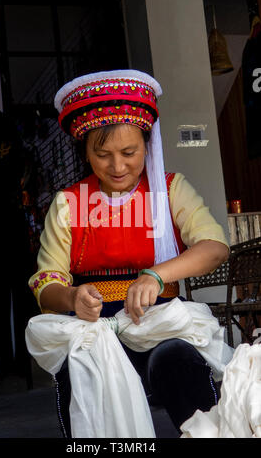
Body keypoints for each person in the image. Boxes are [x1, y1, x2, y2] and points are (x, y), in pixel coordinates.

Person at [28, 70, 230, 437]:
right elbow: (46, 281)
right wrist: (72, 295)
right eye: (102, 154)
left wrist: (156, 275)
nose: (117, 167)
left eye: (129, 152)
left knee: (179, 361)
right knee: (80, 371)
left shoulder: (170, 189)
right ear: (85, 151)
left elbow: (214, 248)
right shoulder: (68, 203)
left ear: (147, 145)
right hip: (93, 327)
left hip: (161, 321)